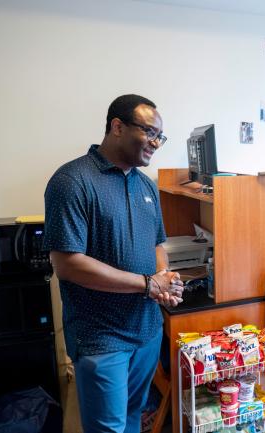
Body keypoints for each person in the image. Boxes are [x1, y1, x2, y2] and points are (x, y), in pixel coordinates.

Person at [43, 94, 183, 433]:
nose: (155, 143)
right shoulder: (73, 181)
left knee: (134, 420)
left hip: (146, 332)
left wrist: (163, 278)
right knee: (108, 428)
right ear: (117, 126)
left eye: (160, 136)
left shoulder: (146, 185)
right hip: (102, 338)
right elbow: (68, 264)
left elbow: (156, 244)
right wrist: (147, 284)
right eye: (149, 131)